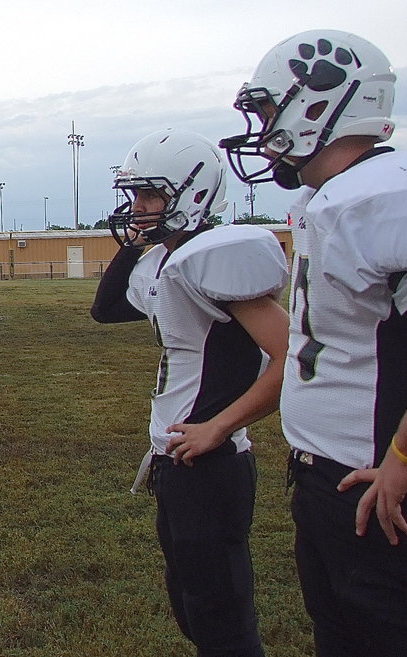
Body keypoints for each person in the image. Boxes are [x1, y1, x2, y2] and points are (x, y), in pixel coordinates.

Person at [221, 29, 407, 655]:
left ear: (318, 102)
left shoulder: (384, 195)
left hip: (390, 497)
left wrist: (405, 458)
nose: (262, 128)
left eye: (269, 110)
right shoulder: (338, 199)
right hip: (335, 487)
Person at [91, 129, 289, 656]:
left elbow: (294, 354)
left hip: (212, 461)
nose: (138, 208)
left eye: (150, 196)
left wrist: (221, 426)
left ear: (193, 193)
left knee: (224, 623)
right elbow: (107, 309)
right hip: (177, 461)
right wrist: (134, 244)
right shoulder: (166, 260)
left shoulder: (212, 254)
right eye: (133, 196)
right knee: (195, 611)